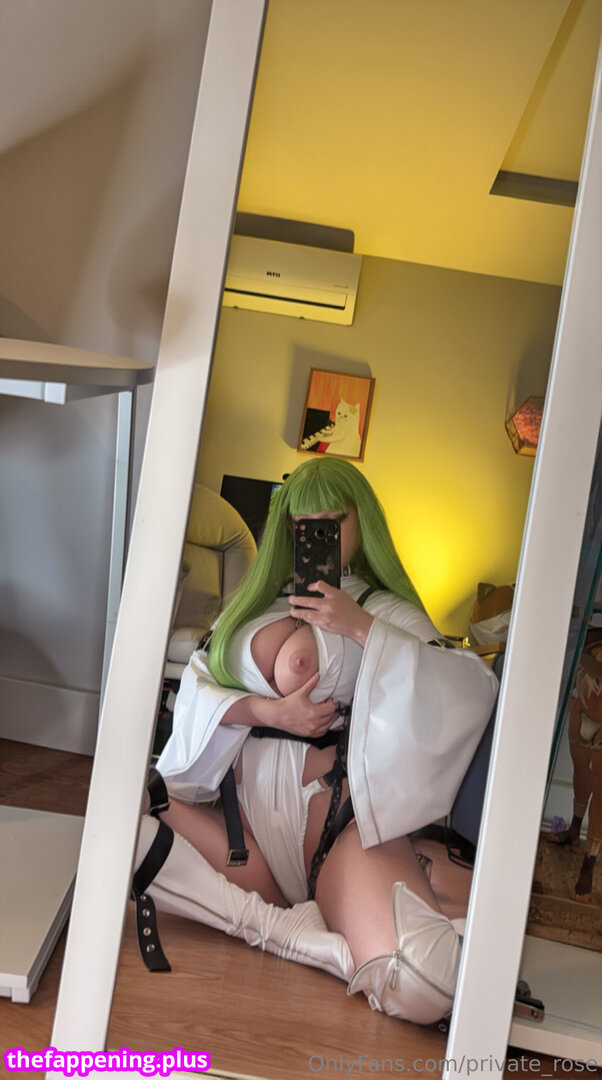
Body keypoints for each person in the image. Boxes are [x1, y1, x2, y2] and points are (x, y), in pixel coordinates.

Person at [133, 458, 498, 1024]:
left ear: (361, 522)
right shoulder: (250, 609)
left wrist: (359, 627)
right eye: (303, 525)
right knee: (118, 818)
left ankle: (348, 908)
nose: (315, 535)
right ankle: (290, 933)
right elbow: (200, 684)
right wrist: (267, 711)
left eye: (331, 522)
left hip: (336, 835)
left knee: (420, 981)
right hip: (246, 839)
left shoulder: (383, 610)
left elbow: (470, 685)